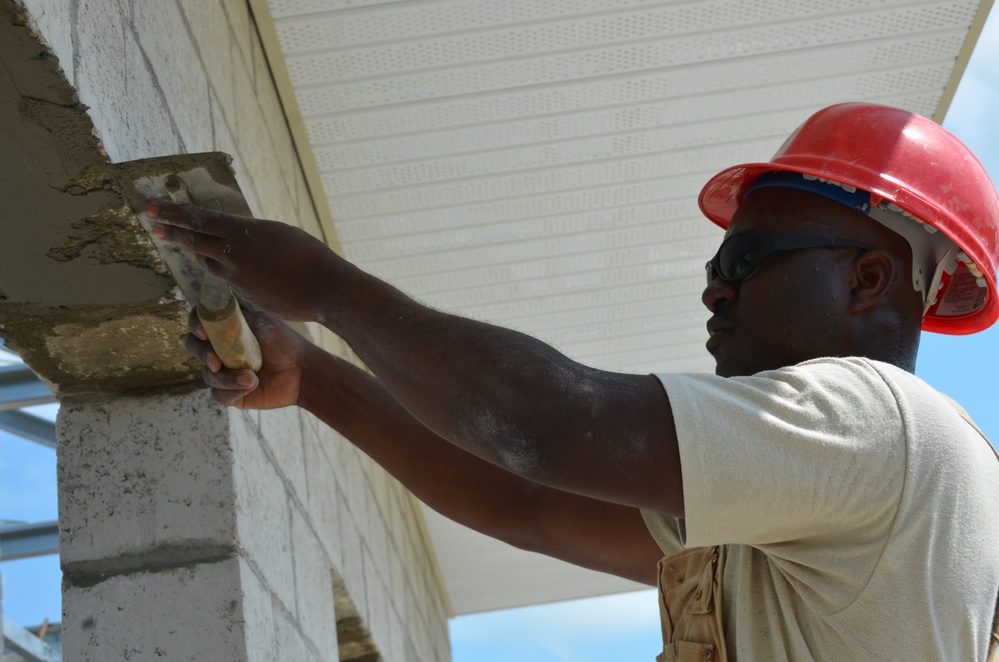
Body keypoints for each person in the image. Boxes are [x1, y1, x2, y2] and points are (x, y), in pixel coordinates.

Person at [148, 103, 999, 661]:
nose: (714, 287)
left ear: (868, 281)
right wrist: (316, 379)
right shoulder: (807, 495)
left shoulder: (876, 423)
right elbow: (527, 499)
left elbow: (547, 424)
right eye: (715, 265)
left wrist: (331, 290)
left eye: (746, 260)